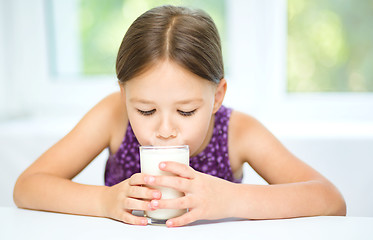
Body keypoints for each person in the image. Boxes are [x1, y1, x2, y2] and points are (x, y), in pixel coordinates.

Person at [13, 5, 346, 227]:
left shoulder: (238, 132)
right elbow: (28, 187)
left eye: (186, 111)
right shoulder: (112, 116)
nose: (165, 129)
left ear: (217, 97)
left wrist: (230, 199)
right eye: (145, 110)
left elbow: (331, 201)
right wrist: (104, 201)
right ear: (123, 95)